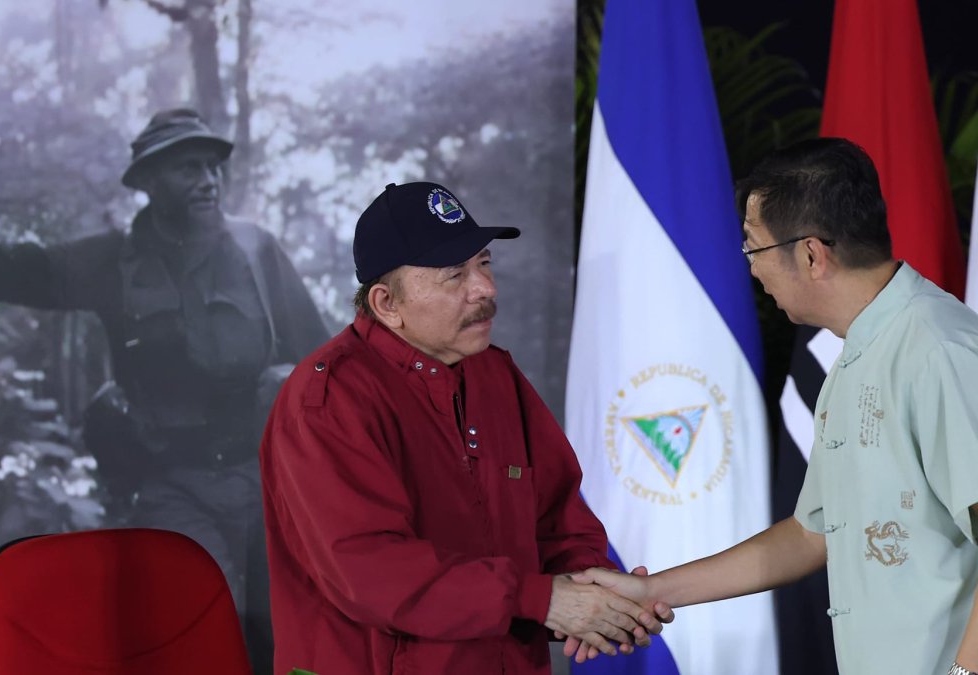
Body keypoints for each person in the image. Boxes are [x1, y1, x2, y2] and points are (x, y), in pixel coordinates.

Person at [571, 138, 978, 675]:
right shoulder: (859, 354)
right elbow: (811, 534)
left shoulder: (936, 346)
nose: (752, 269)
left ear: (812, 254)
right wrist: (649, 590)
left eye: (754, 248)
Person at [259, 180, 672, 674]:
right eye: (456, 275)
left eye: (484, 263)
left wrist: (597, 593)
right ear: (387, 303)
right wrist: (544, 600)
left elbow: (558, 515)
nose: (486, 289)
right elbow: (372, 571)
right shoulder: (326, 401)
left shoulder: (496, 374)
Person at [0, 108, 329, 672]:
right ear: (149, 183)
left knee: (284, 639)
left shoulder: (256, 251)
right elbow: (21, 269)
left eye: (212, 168)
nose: (208, 180)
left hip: (265, 482)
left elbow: (324, 359)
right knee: (196, 631)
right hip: (170, 486)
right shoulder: (111, 262)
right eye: (188, 168)